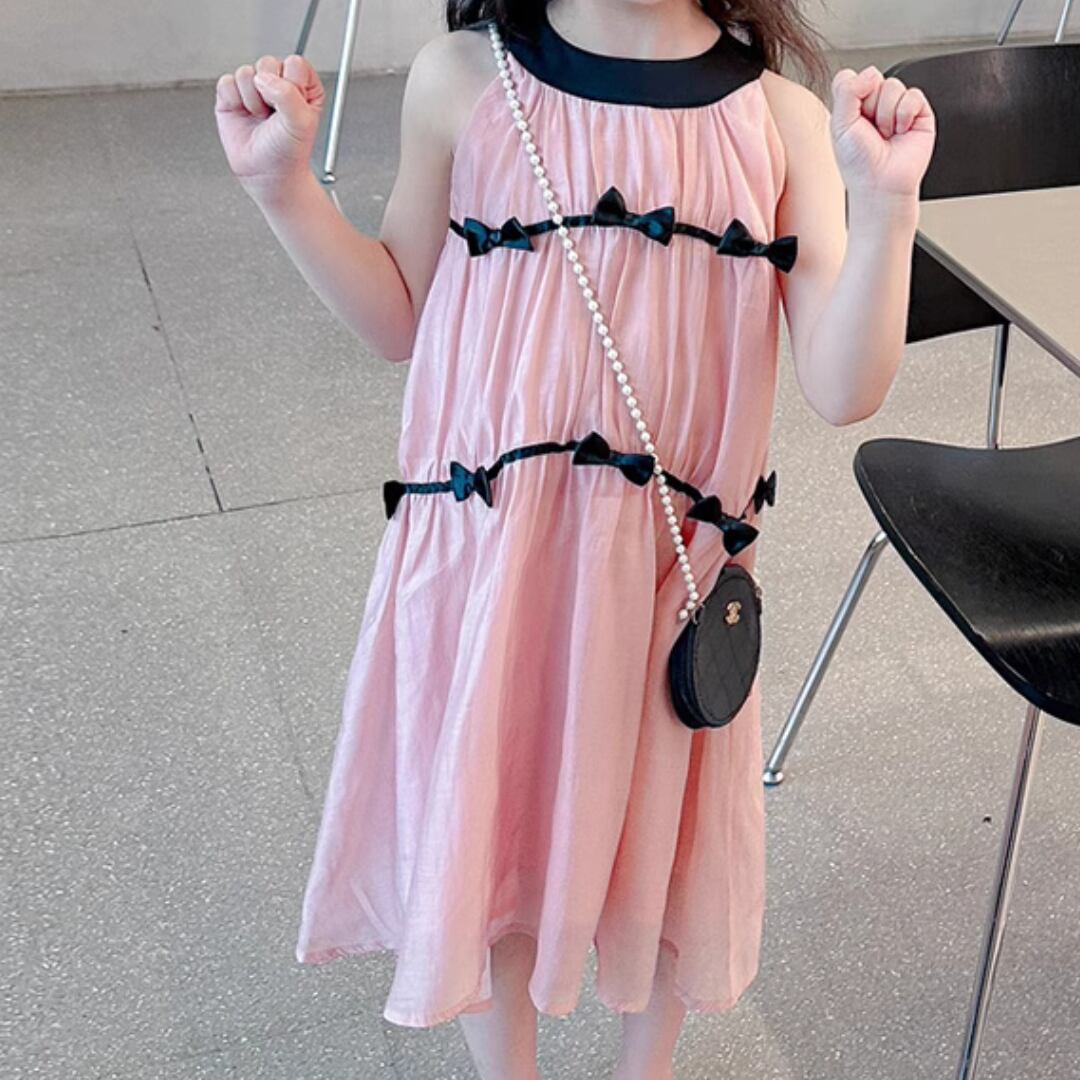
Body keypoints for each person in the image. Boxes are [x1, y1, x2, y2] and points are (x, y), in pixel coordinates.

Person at [214, 2, 935, 1077]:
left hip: (668, 577)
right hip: (497, 560)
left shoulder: (777, 120)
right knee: (495, 818)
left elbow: (844, 387)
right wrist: (283, 188)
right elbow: (398, 314)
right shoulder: (464, 79)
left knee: (664, 836)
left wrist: (885, 208)